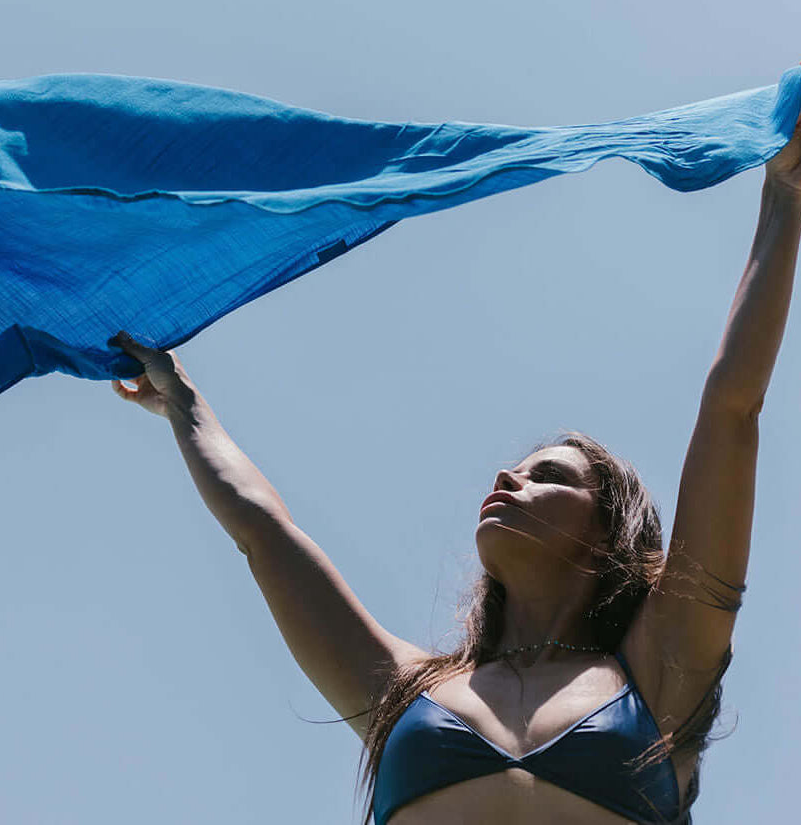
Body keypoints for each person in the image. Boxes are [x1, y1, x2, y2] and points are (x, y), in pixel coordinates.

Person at [109, 116, 801, 824]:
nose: (507, 478)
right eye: (514, 469)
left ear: (610, 530)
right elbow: (264, 532)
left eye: (549, 476)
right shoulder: (405, 690)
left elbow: (729, 411)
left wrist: (783, 196)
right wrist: (184, 403)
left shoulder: (663, 664)